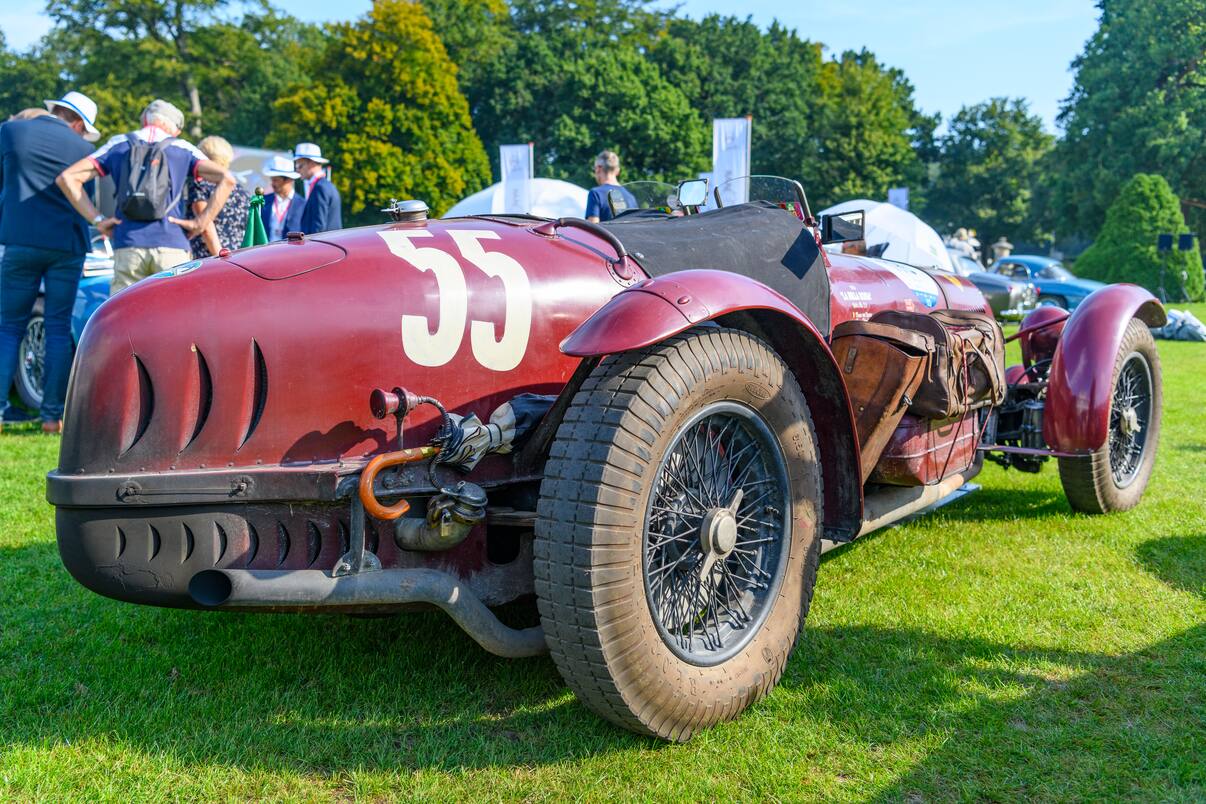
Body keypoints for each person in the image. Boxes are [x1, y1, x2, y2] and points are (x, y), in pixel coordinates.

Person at [56, 99, 235, 292]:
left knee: (126, 316)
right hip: (171, 246)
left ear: (145, 121)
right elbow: (227, 179)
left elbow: (67, 178)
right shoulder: (183, 148)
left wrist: (98, 220)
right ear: (171, 127)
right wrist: (200, 223)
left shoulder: (119, 143)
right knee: (174, 316)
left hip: (129, 244)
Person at [0, 91, 100, 434]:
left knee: (9, 326)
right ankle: (51, 417)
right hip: (67, 245)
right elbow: (90, 201)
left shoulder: (11, 132)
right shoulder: (85, 151)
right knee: (58, 328)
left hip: (19, 240)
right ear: (77, 123)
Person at [185, 135, 248, 258]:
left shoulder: (200, 184)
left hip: (210, 260)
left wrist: (220, 258)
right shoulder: (241, 191)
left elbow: (205, 225)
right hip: (239, 258)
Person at [294, 142, 341, 234]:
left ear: (311, 163)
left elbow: (318, 228)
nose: (297, 170)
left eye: (299, 165)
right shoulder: (325, 186)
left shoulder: (320, 188)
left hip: (323, 246)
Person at [260, 154, 303, 241]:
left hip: (291, 252)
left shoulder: (303, 205)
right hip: (265, 252)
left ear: (289, 180)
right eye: (272, 180)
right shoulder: (264, 201)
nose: (272, 183)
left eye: (276, 180)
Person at [585, 150, 636, 223]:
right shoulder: (631, 197)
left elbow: (592, 228)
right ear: (617, 171)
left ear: (598, 169)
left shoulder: (596, 193)